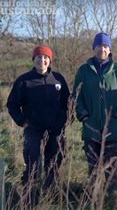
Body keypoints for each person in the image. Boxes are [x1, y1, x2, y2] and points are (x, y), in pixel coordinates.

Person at [7, 45, 70, 205]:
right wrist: (22, 121)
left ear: (50, 60)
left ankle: (48, 197)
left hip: (55, 129)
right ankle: (29, 199)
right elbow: (12, 103)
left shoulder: (58, 80)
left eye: (45, 57)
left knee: (53, 164)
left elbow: (68, 103)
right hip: (33, 130)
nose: (42, 60)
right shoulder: (24, 80)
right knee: (32, 164)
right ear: (33, 59)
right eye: (39, 57)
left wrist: (64, 122)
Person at [72, 32, 117, 196]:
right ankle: (93, 195)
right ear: (94, 48)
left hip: (113, 127)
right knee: (93, 165)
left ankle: (112, 196)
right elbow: (77, 96)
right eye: (99, 46)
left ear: (109, 49)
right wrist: (83, 115)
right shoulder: (84, 71)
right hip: (91, 127)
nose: (102, 49)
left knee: (112, 166)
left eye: (105, 46)